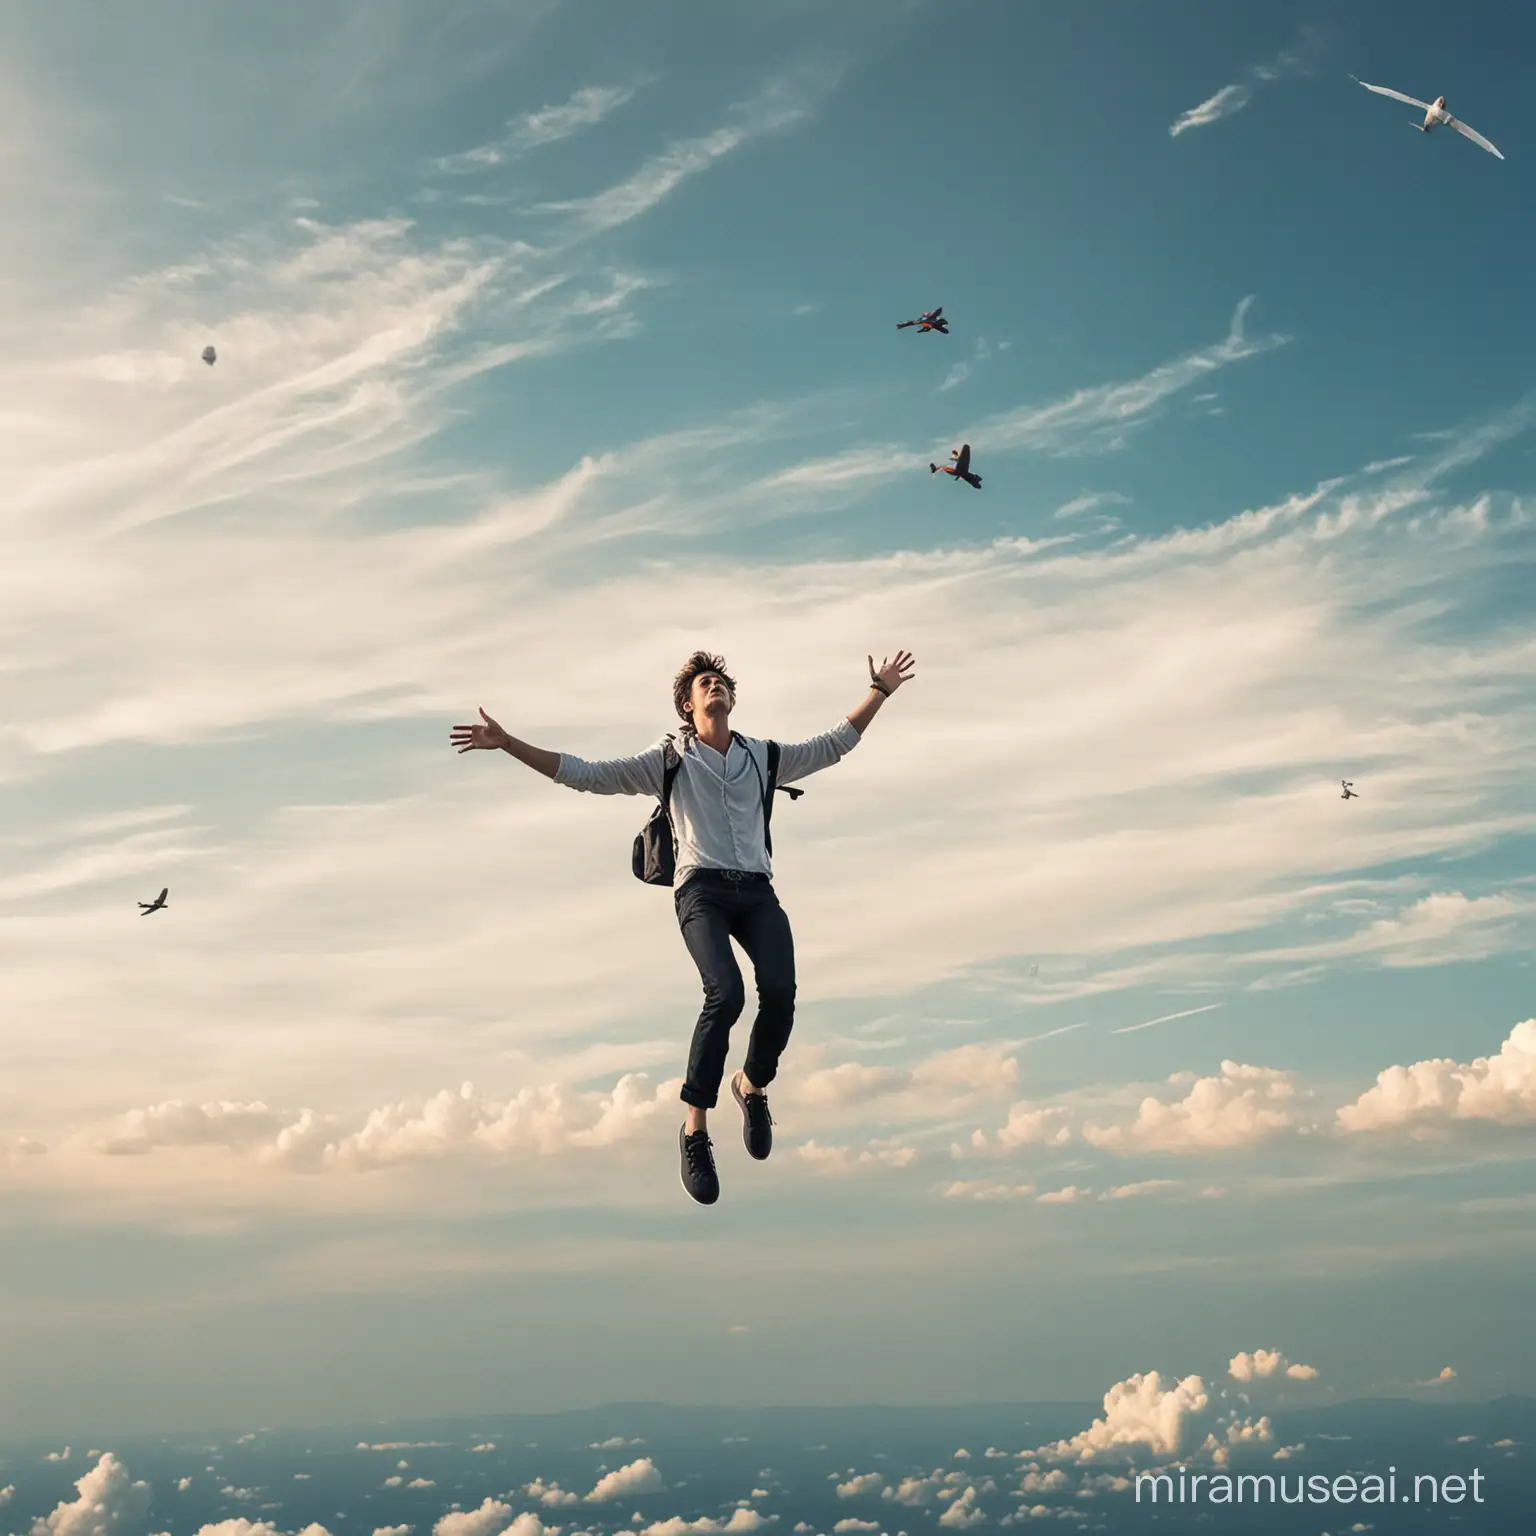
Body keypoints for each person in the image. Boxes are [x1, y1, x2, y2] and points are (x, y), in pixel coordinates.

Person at [450, 648, 916, 1205]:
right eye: (704, 683)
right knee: (726, 992)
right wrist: (509, 744)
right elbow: (586, 775)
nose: (714, 686)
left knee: (782, 991)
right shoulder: (667, 760)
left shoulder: (764, 757)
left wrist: (880, 691)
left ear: (731, 699)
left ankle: (752, 1085)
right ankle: (695, 1128)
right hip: (702, 893)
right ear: (687, 704)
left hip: (757, 892)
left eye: (720, 681)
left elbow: (835, 743)